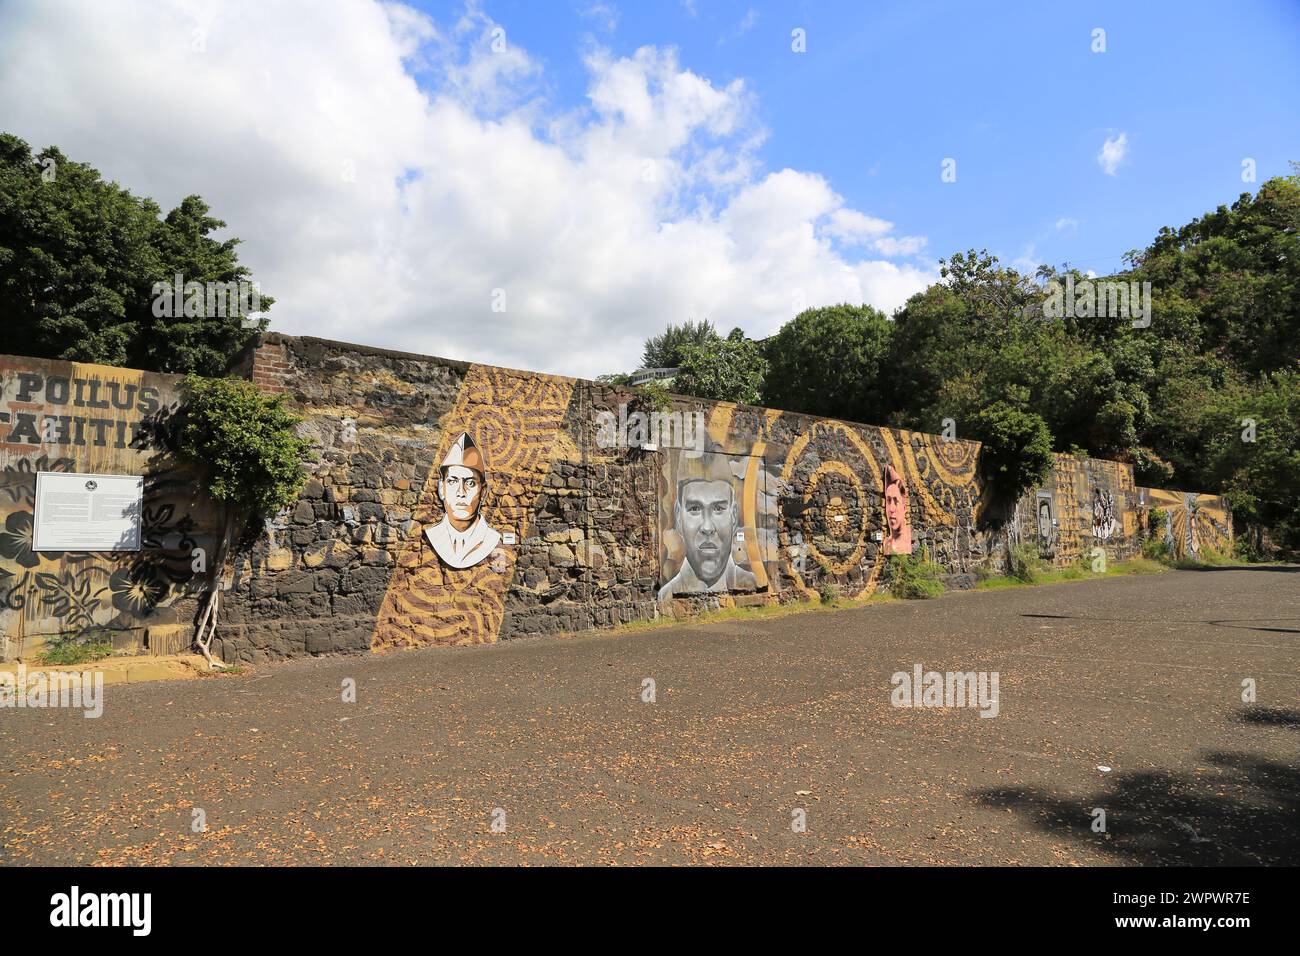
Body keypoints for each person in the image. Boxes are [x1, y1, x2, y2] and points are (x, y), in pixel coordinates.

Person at [658, 455, 756, 599]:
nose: (707, 527)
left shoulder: (750, 583)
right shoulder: (667, 595)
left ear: (734, 516)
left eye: (718, 508)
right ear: (679, 517)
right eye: (695, 508)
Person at [424, 431, 502, 569]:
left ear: (483, 491)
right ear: (442, 489)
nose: (461, 492)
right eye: (453, 482)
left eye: (470, 483)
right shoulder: (433, 535)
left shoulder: (491, 538)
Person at [881, 463, 912, 555]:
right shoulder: (887, 544)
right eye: (889, 501)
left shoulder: (907, 542)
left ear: (904, 507)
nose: (891, 509)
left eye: (896, 501)